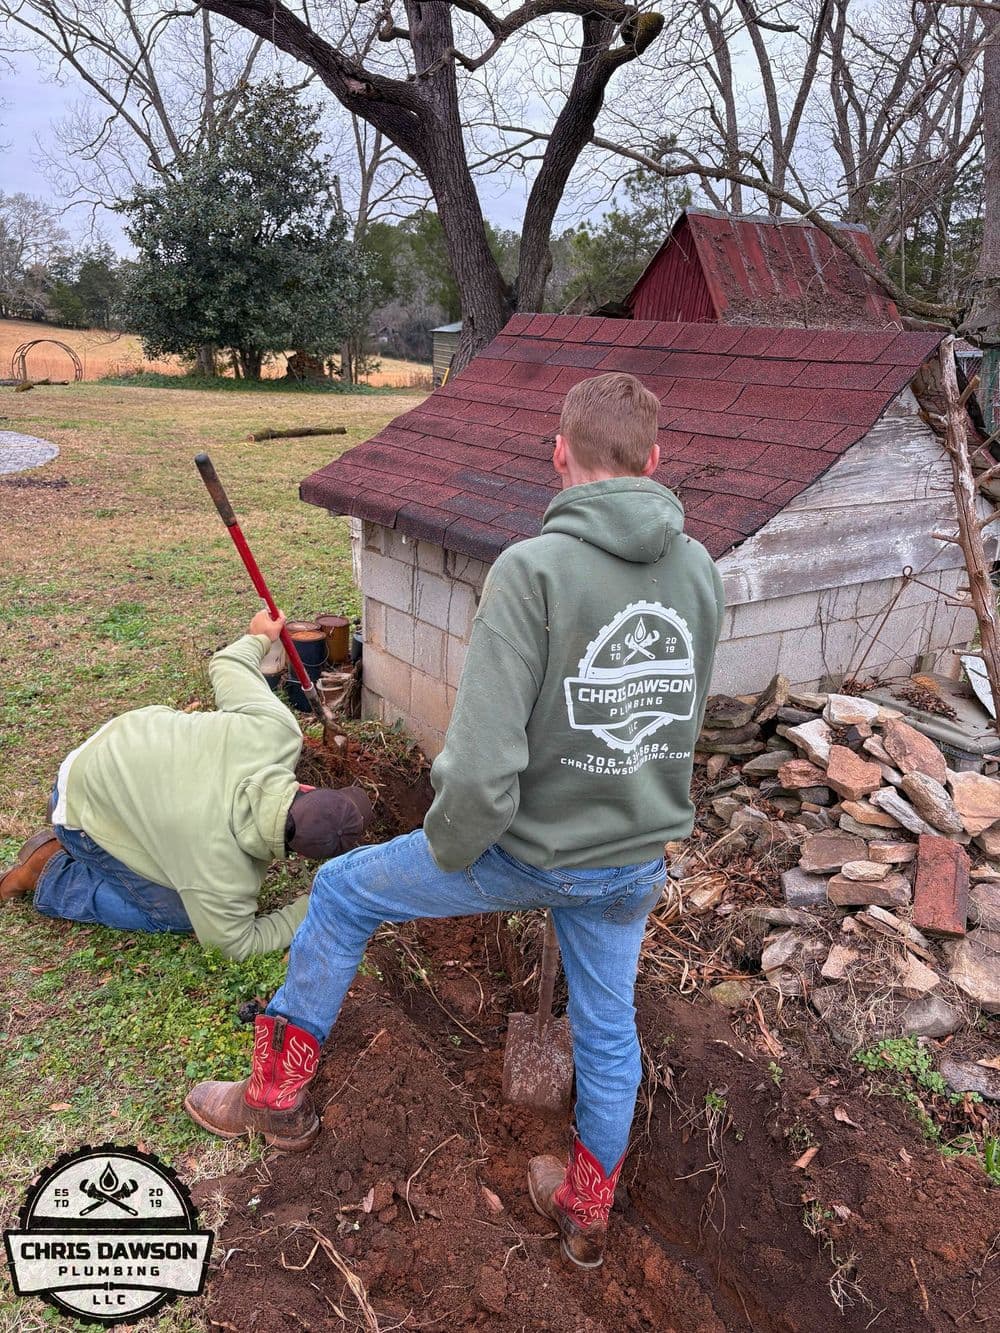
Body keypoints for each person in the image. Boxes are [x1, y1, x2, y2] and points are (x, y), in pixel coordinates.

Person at [184, 372, 725, 1268]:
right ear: (654, 460)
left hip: (532, 852)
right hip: (633, 859)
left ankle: (273, 1099)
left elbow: (478, 770)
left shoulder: (532, 571)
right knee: (607, 1029)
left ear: (560, 452)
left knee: (344, 890)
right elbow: (678, 714)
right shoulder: (698, 570)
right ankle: (585, 1211)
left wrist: (449, 849)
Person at [0, 611, 371, 960]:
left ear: (306, 790)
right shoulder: (222, 875)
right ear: (298, 855)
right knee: (177, 914)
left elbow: (228, 664)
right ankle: (50, 876)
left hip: (110, 745)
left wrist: (259, 637)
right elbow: (236, 946)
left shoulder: (278, 733)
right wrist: (318, 905)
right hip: (85, 806)